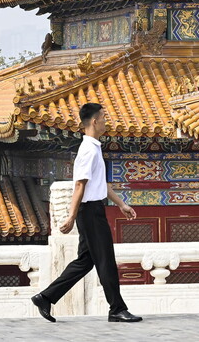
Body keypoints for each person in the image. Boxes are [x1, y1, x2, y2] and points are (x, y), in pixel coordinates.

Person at [32, 102, 142, 323]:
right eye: (103, 117)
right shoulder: (88, 150)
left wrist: (121, 204)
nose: (105, 121)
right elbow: (80, 185)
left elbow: (100, 184)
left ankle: (45, 297)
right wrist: (72, 216)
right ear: (94, 121)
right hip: (90, 212)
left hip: (94, 209)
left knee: (85, 261)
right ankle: (117, 309)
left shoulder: (94, 148)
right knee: (106, 261)